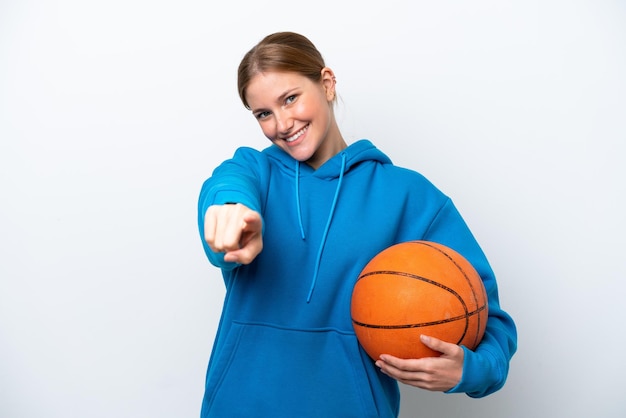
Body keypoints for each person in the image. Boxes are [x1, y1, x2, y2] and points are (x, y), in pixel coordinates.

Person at [197, 31, 517, 418]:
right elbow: (227, 189)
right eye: (263, 113)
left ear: (327, 83)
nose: (282, 123)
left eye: (290, 98)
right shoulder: (253, 172)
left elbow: (490, 322)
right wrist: (229, 214)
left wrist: (469, 370)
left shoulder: (408, 196)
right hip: (239, 407)